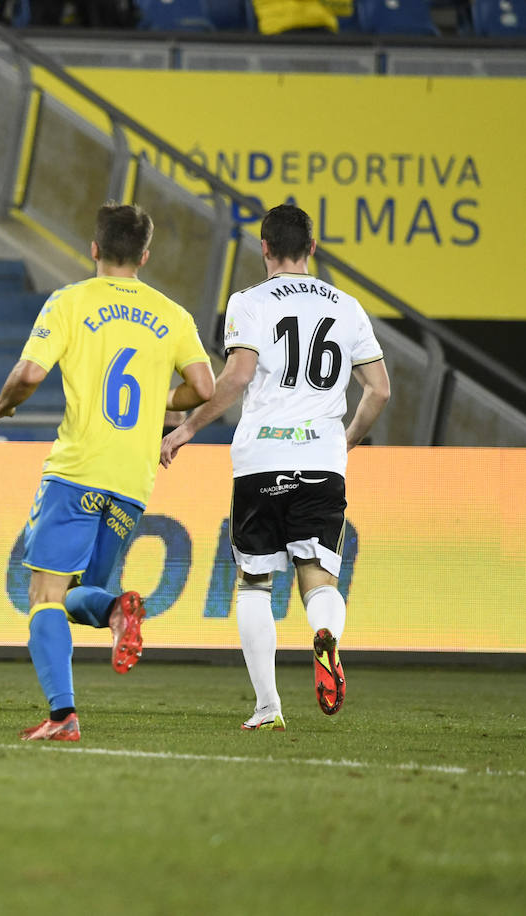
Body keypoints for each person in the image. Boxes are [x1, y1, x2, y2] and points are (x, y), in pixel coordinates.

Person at [0, 202, 214, 742]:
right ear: (145, 256)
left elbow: (30, 371)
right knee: (75, 596)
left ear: (93, 249)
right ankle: (115, 608)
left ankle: (63, 715)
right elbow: (204, 388)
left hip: (77, 472)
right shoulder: (173, 315)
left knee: (44, 598)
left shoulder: (69, 302)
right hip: (132, 483)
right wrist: (161, 398)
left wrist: (2, 405)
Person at [159, 204, 390, 731]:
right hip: (321, 458)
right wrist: (345, 440)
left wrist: (189, 428)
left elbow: (238, 376)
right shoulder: (347, 307)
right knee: (319, 578)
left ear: (264, 247)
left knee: (255, 582)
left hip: (261, 458)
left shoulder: (248, 302)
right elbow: (379, 389)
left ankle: (268, 706)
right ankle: (324, 634)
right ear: (312, 247)